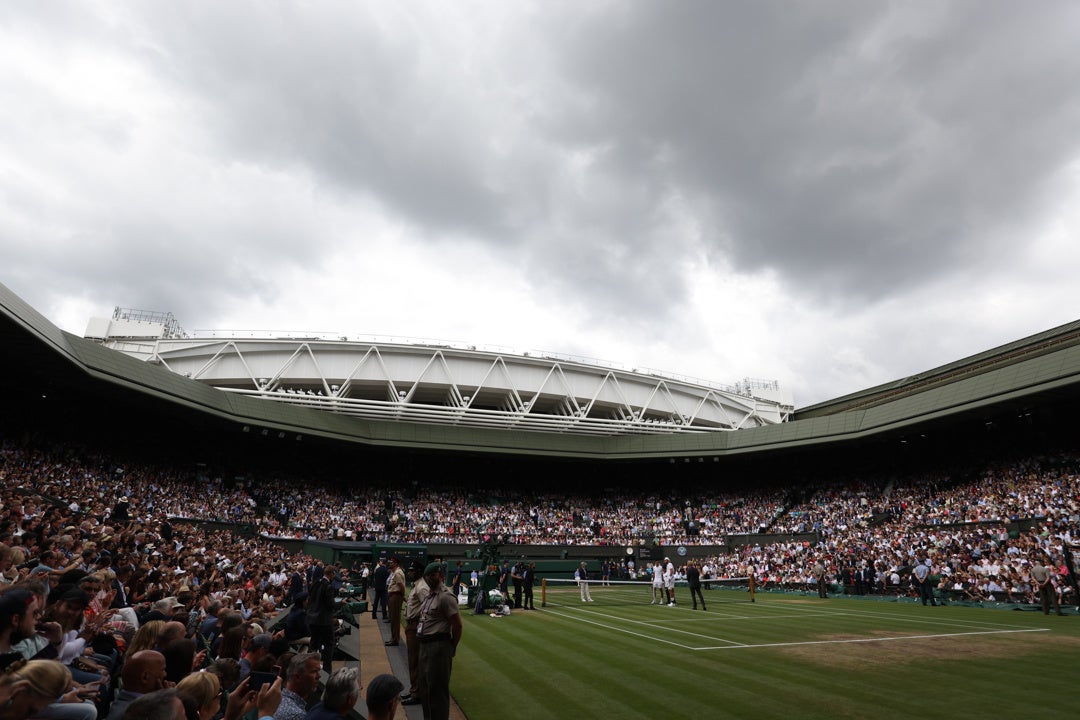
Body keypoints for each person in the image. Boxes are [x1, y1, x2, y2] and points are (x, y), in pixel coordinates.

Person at [416, 562, 463, 720]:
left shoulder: (445, 597)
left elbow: (457, 625)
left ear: (440, 575)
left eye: (433, 575)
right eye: (427, 576)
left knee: (437, 694)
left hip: (438, 646)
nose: (429, 578)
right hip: (424, 646)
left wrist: (452, 647)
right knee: (425, 690)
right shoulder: (429, 595)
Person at [401, 562, 429, 706]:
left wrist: (420, 625)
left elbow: (428, 608)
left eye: (412, 570)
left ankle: (417, 693)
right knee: (412, 660)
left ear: (419, 572)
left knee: (415, 661)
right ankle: (414, 690)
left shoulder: (422, 587)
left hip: (416, 625)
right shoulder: (416, 585)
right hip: (411, 624)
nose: (409, 572)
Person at [306, 567, 337, 673]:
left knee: (313, 643)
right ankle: (327, 669)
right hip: (324, 621)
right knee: (329, 643)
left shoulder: (315, 583)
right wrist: (339, 603)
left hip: (312, 619)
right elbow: (330, 605)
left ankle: (308, 667)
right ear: (331, 574)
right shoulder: (328, 586)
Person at [273, 652, 321, 720]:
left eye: (318, 671)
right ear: (298, 677)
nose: (319, 676)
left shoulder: (273, 700)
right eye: (314, 671)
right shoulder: (297, 715)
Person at [385, 558, 406, 647]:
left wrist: (403, 596)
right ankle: (394, 638)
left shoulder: (397, 573)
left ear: (396, 563)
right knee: (393, 619)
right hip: (394, 596)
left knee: (394, 619)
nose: (390, 563)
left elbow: (402, 587)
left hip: (396, 596)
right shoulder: (396, 572)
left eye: (392, 562)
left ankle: (395, 640)